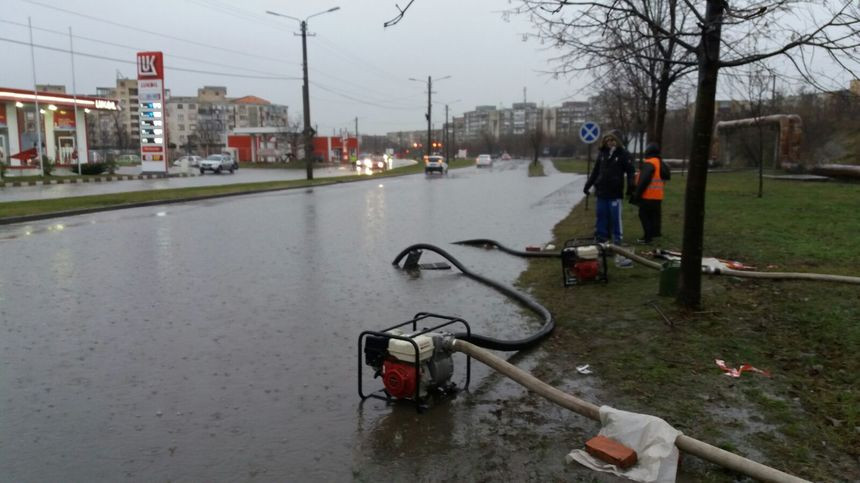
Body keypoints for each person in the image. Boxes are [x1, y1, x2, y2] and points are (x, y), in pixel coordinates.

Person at [583, 130, 636, 267]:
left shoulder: (623, 154)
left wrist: (631, 185)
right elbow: (595, 171)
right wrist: (588, 185)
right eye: (607, 140)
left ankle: (617, 241)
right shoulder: (602, 154)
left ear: (617, 141)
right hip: (601, 191)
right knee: (601, 216)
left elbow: (631, 170)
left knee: (615, 218)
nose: (610, 142)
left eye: (612, 140)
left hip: (614, 193)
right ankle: (601, 241)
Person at [630, 142, 668, 244]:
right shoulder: (660, 163)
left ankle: (647, 237)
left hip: (647, 195)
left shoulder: (649, 163)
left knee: (643, 215)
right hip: (658, 196)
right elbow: (666, 176)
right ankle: (653, 234)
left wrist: (637, 194)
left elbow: (643, 180)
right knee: (653, 217)